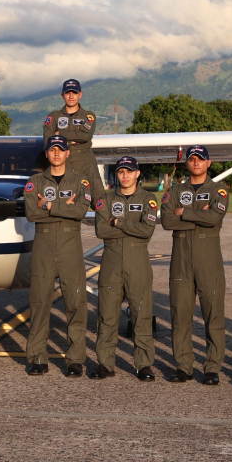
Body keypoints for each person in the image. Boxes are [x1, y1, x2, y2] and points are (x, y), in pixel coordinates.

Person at [23, 135, 95, 377]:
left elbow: (80, 211)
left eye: (60, 149)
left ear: (67, 153)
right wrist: (65, 207)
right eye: (52, 149)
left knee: (75, 304)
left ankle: (75, 359)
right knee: (39, 303)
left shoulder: (80, 181)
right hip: (43, 247)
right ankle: (37, 357)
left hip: (69, 248)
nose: (56, 153)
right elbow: (31, 213)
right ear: (46, 153)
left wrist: (49, 205)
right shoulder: (34, 182)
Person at [160, 145, 229, 385]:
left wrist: (184, 212)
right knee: (180, 315)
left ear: (209, 162)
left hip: (209, 259)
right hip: (181, 260)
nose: (196, 163)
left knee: (213, 314)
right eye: (192, 159)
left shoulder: (218, 190)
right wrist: (200, 215)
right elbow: (167, 221)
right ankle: (183, 366)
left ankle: (212, 367)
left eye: (201, 159)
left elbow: (215, 217)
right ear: (187, 163)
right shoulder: (175, 190)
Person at [91, 156, 159, 381]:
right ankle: (105, 364)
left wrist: (118, 223)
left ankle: (144, 365)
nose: (125, 175)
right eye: (121, 171)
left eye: (129, 171)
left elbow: (147, 230)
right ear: (116, 174)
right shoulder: (106, 200)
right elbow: (101, 230)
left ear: (137, 173)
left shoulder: (148, 199)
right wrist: (132, 227)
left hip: (137, 261)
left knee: (141, 314)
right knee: (107, 315)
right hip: (111, 261)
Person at [43, 79, 105, 200]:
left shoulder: (88, 115)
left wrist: (60, 134)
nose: (71, 96)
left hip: (86, 162)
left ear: (80, 94)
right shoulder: (53, 116)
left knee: (100, 199)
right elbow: (47, 141)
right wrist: (73, 138)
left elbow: (85, 136)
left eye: (74, 92)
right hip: (62, 163)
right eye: (68, 93)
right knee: (63, 200)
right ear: (62, 95)